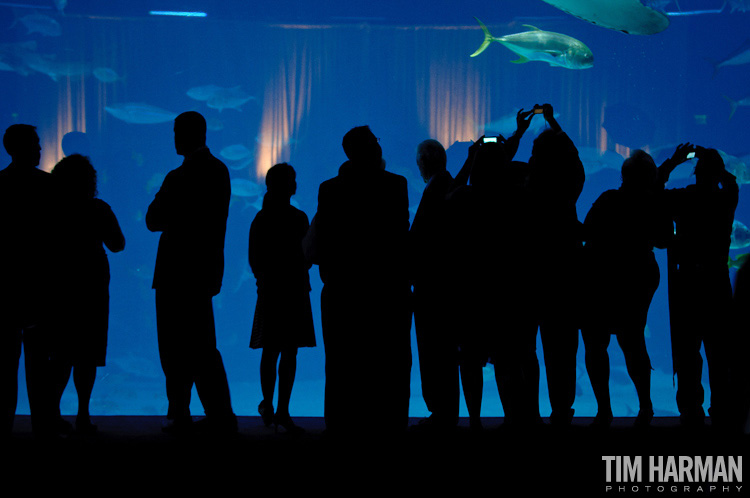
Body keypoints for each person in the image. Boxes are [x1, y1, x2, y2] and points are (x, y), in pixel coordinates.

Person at [304, 125, 412, 436]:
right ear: (372, 148)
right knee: (390, 365)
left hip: (342, 293)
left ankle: (340, 426)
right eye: (376, 141)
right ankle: (390, 426)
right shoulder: (395, 185)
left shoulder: (330, 189)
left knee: (341, 365)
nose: (380, 144)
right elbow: (398, 238)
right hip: (387, 292)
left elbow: (323, 241)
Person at [146, 111, 237, 434]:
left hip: (174, 273)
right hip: (203, 271)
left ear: (186, 134)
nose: (173, 138)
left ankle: (181, 413)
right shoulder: (219, 171)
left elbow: (153, 220)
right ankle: (219, 414)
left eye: (175, 132)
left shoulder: (178, 177)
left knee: (174, 347)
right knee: (202, 345)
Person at [581, 150, 672, 428]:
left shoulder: (608, 199)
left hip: (600, 281)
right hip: (637, 279)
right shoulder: (651, 203)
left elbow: (586, 231)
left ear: (624, 175)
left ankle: (604, 410)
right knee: (633, 342)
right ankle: (646, 406)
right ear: (651, 177)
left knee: (596, 345)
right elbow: (665, 240)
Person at [659, 144, 738, 429]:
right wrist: (712, 159)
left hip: (688, 285)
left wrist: (674, 161)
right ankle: (723, 408)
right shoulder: (727, 199)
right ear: (717, 173)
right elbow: (731, 182)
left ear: (694, 173)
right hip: (717, 283)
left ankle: (691, 411)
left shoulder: (684, 199)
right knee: (721, 353)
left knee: (688, 353)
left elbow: (653, 190)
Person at [49, 154, 125, 433]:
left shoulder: (50, 209)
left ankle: (53, 413)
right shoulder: (98, 209)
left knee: (60, 352)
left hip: (59, 287)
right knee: (86, 354)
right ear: (90, 181)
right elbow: (118, 244)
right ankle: (82, 413)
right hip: (92, 287)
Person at [0, 124, 61, 437]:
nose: (40, 149)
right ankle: (45, 430)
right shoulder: (49, 186)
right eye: (36, 144)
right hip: (41, 290)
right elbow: (59, 240)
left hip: (5, 289)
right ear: (19, 148)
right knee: (41, 371)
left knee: (3, 371)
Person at [526, 103, 585, 427]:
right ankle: (562, 412)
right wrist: (552, 123)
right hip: (564, 277)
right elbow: (574, 161)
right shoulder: (567, 192)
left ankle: (529, 415)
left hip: (529, 277)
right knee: (563, 348)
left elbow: (498, 165)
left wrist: (521, 133)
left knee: (525, 349)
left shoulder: (524, 190)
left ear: (534, 160)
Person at [248, 163, 315, 434]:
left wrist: (265, 278)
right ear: (288, 185)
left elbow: (255, 259)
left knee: (270, 349)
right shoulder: (299, 218)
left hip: (270, 291)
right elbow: (307, 256)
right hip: (295, 290)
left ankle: (269, 404)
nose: (296, 184)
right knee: (289, 351)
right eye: (293, 180)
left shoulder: (260, 219)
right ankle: (283, 410)